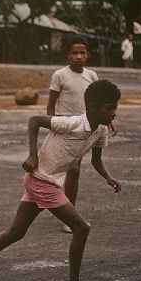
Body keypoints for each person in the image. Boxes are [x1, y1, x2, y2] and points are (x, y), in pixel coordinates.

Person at [0, 80, 122, 281]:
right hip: (42, 180)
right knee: (81, 228)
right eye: (109, 108)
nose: (114, 113)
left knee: (15, 232)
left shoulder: (101, 131)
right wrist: (32, 155)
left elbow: (96, 160)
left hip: (46, 181)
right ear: (93, 107)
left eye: (115, 107)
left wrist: (108, 178)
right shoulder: (72, 123)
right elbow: (34, 121)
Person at [46, 39, 99, 230]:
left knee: (73, 171)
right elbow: (51, 102)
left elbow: (98, 102)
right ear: (68, 55)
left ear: (88, 55)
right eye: (75, 53)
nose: (78, 56)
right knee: (63, 171)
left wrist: (109, 123)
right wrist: (52, 123)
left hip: (83, 127)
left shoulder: (92, 75)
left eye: (82, 53)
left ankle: (69, 214)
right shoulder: (60, 75)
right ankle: (66, 215)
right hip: (64, 126)